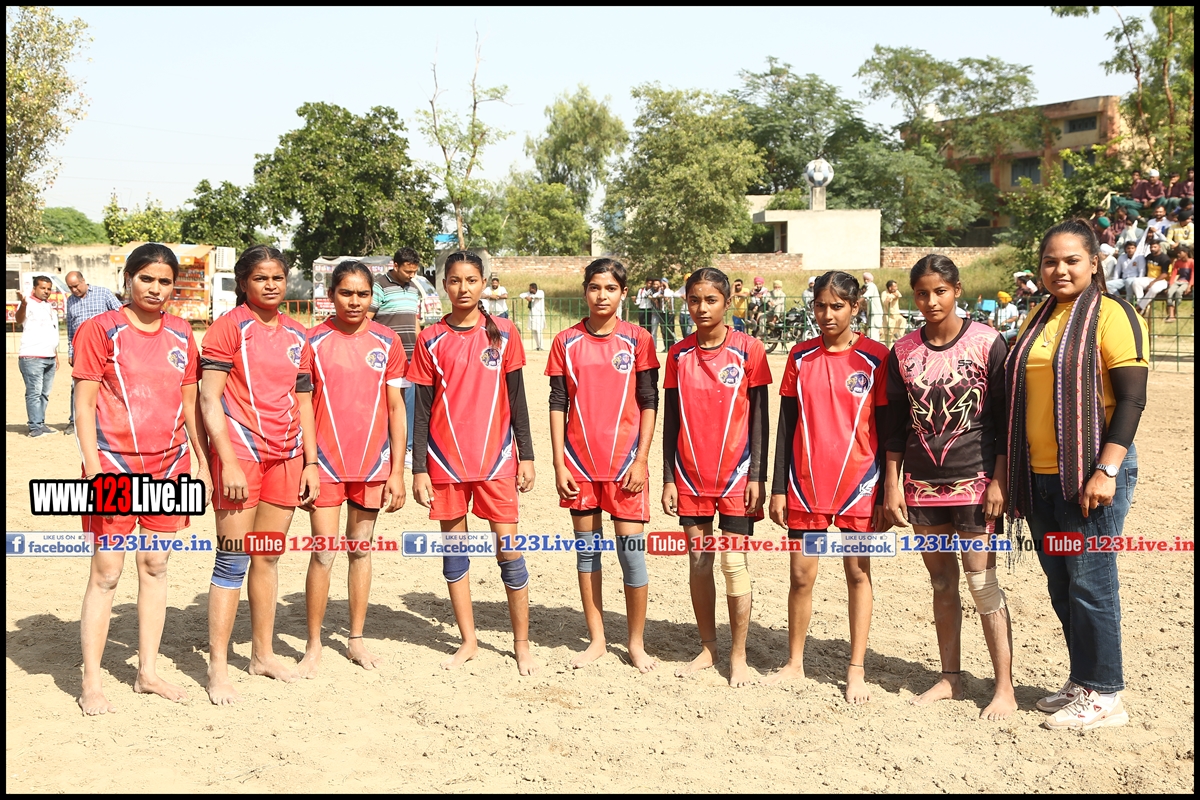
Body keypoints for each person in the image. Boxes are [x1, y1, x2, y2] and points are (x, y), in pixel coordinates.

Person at [1005, 218, 1149, 730]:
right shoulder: (1038, 316)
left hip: (1091, 475)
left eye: (1071, 260)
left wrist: (1106, 469)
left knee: (1091, 583)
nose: (1060, 269)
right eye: (1050, 261)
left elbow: (1131, 398)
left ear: (1093, 263)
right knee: (1063, 585)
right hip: (1041, 475)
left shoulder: (1113, 314)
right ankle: (1084, 680)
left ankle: (1107, 694)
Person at [74, 243, 211, 715]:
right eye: (146, 279)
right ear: (128, 279)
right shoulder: (100, 330)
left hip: (170, 469)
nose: (155, 289)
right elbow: (84, 404)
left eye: (164, 281)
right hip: (113, 467)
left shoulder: (181, 332)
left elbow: (190, 404)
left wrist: (203, 463)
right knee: (107, 573)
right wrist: (93, 468)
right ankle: (92, 681)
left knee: (155, 565)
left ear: (175, 286)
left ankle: (147, 672)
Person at [883, 254, 1016, 721]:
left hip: (976, 485)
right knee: (941, 581)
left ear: (956, 290)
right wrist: (893, 485)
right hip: (922, 485)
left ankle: (1004, 687)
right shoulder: (902, 352)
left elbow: (1004, 419)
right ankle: (950, 678)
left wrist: (1000, 479)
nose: (931, 301)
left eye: (940, 291)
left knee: (982, 583)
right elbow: (895, 427)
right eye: (922, 293)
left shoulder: (987, 342)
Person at [407, 251, 538, 675]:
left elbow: (517, 400)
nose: (463, 288)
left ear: (483, 284)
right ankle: (468, 641)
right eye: (454, 280)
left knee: (509, 552)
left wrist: (527, 456)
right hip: (445, 463)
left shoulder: (504, 333)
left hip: (497, 459)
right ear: (444, 284)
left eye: (471, 280)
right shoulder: (430, 339)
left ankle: (522, 644)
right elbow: (420, 411)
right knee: (455, 555)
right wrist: (419, 468)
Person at [201, 245, 320, 705]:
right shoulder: (229, 328)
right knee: (232, 559)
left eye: (278, 277)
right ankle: (217, 667)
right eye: (260, 278)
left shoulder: (297, 333)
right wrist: (228, 461)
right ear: (243, 283)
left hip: (286, 457)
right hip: (242, 456)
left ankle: (262, 654)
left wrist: (310, 461)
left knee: (267, 557)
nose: (271, 285)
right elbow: (209, 399)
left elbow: (304, 401)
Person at [763, 271, 887, 704]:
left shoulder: (876, 358)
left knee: (858, 573)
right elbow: (786, 425)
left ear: (855, 307)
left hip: (860, 485)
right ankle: (794, 662)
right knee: (801, 575)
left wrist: (887, 490)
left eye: (837, 306)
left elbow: (888, 427)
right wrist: (779, 487)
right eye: (820, 306)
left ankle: (856, 669)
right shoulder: (799, 356)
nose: (828, 314)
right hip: (806, 485)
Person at [546, 258, 659, 672]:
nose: (602, 295)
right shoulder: (566, 341)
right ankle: (596, 640)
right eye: (595, 287)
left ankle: (635, 643)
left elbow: (649, 401)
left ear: (623, 293)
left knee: (632, 556)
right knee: (587, 555)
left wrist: (642, 459)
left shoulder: (638, 339)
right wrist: (559, 463)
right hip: (579, 465)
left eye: (610, 288)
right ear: (585, 291)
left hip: (626, 465)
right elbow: (558, 402)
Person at [662, 268, 772, 687]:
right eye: (694, 300)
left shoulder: (750, 349)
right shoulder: (677, 355)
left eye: (710, 300)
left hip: (738, 476)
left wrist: (758, 475)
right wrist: (669, 477)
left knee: (733, 563)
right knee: (699, 559)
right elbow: (671, 421)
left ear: (727, 302)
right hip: (690, 475)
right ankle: (708, 648)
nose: (702, 308)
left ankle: (738, 655)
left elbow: (760, 418)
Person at [298, 261, 408, 677]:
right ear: (331, 295)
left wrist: (397, 471)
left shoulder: (387, 341)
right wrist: (309, 462)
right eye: (346, 293)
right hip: (325, 465)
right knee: (324, 551)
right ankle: (313, 643)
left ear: (372, 297)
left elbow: (396, 409)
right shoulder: (312, 341)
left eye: (363, 294)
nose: (355, 301)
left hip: (372, 465)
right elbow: (302, 405)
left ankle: (356, 638)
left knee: (361, 549)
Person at [368, 247, 424, 471]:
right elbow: (368, 318)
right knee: (385, 403)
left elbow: (415, 321)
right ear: (395, 265)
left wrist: (421, 347)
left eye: (414, 271)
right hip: (385, 356)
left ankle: (407, 448)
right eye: (407, 271)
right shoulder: (379, 286)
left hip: (410, 355)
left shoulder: (414, 289)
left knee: (408, 403)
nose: (411, 275)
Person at [64, 271, 122, 436]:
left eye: (76, 286)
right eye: (70, 287)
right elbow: (70, 328)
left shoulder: (103, 293)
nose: (74, 290)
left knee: (108, 385)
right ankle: (74, 421)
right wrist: (71, 351)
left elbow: (121, 315)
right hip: (82, 350)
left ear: (83, 280)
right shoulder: (71, 301)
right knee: (78, 386)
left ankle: (110, 421)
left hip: (105, 349)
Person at [16, 276, 61, 437]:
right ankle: (35, 427)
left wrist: (55, 354)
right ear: (34, 288)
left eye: (49, 288)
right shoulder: (27, 303)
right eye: (42, 288)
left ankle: (40, 423)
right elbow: (19, 319)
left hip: (49, 356)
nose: (46, 291)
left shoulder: (48, 306)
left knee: (44, 393)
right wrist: (23, 304)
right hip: (32, 356)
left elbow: (51, 331)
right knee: (34, 393)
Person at [1134, 240, 1172, 315]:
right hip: (1149, 278)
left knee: (1154, 289)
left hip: (1162, 280)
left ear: (1159, 247)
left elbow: (1165, 274)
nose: (1152, 249)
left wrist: (1153, 282)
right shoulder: (1149, 256)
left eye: (1155, 247)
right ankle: (1141, 304)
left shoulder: (1165, 258)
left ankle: (1140, 308)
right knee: (1135, 282)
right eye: (1151, 247)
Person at [1164, 244, 1193, 322]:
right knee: (1170, 292)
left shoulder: (1191, 262)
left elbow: (1192, 275)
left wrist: (1189, 286)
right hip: (1179, 281)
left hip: (1186, 282)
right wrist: (1170, 285)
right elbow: (1174, 274)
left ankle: (1173, 310)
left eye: (1180, 253)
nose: (1178, 254)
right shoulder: (1177, 262)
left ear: (1186, 253)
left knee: (1179, 292)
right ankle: (1171, 314)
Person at [519, 283, 547, 350]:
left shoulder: (540, 292)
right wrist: (526, 297)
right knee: (533, 330)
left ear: (533, 288)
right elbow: (521, 295)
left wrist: (531, 297)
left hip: (539, 314)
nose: (529, 290)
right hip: (532, 314)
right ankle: (537, 346)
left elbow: (538, 296)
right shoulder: (529, 293)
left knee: (539, 330)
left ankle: (541, 346)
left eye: (530, 288)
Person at [882, 280, 905, 345]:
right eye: (894, 286)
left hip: (896, 315)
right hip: (888, 316)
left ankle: (900, 337)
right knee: (889, 335)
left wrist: (891, 296)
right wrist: (892, 296)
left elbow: (898, 295)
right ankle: (888, 348)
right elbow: (886, 302)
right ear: (890, 288)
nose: (896, 288)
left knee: (903, 320)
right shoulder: (884, 293)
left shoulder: (896, 291)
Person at [861, 272, 883, 340]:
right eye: (864, 279)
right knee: (870, 331)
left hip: (875, 313)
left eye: (867, 279)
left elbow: (865, 296)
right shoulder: (869, 287)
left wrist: (856, 303)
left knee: (873, 333)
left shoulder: (871, 286)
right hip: (871, 314)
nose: (865, 281)